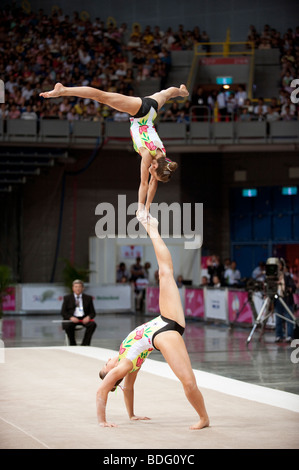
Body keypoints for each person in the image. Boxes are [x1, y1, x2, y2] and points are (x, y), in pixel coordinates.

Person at [96, 215, 209, 430]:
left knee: (165, 273)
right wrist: (102, 421)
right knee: (188, 381)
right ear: (112, 374)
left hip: (166, 319)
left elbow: (128, 390)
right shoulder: (124, 366)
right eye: (105, 365)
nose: (107, 360)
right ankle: (203, 418)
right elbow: (102, 390)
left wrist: (131, 415)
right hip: (162, 336)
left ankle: (152, 228)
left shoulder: (127, 365)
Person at [40, 82, 189, 218]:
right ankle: (63, 90)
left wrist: (147, 208)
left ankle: (182, 92)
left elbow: (153, 183)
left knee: (168, 93)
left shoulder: (163, 157)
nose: (152, 177)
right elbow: (145, 184)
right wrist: (140, 208)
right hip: (139, 111)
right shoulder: (147, 156)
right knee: (102, 97)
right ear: (155, 166)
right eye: (154, 174)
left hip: (152, 110)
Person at [60, 279, 97, 346]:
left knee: (92, 324)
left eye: (79, 287)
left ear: (82, 288)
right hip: (72, 319)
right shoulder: (67, 298)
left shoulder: (88, 298)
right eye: (76, 287)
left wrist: (88, 317)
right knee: (67, 326)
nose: (78, 289)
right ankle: (72, 344)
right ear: (73, 288)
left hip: (83, 318)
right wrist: (71, 317)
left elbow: (93, 313)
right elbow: (63, 312)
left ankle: (85, 344)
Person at [274, 260, 296, 343]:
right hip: (277, 300)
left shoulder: (287, 276)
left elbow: (293, 287)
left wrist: (289, 289)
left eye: (279, 265)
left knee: (289, 318)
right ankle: (279, 335)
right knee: (278, 318)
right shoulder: (273, 277)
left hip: (286, 299)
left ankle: (290, 335)